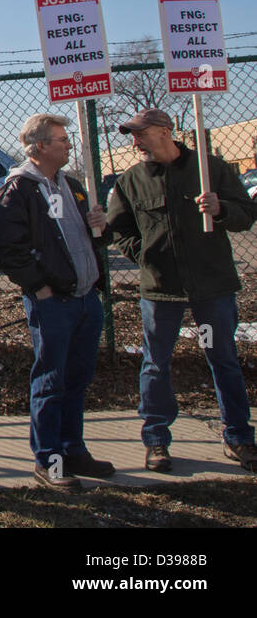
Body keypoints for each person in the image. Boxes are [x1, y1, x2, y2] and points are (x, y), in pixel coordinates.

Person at [104, 108, 257, 473]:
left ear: (165, 131)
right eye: (132, 135)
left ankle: (238, 436)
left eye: (140, 134)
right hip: (161, 289)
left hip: (211, 284)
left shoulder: (211, 169)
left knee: (223, 360)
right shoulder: (132, 180)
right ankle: (156, 439)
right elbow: (119, 229)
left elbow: (246, 214)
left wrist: (221, 209)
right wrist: (143, 257)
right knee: (156, 364)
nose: (135, 142)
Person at [0, 113, 114, 490]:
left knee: (77, 378)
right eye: (61, 139)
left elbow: (81, 241)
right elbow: (9, 251)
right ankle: (49, 460)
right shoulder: (18, 191)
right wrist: (40, 290)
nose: (68, 144)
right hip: (53, 304)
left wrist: (98, 227)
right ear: (40, 146)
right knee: (51, 381)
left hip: (85, 299)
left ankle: (73, 448)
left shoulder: (72, 185)